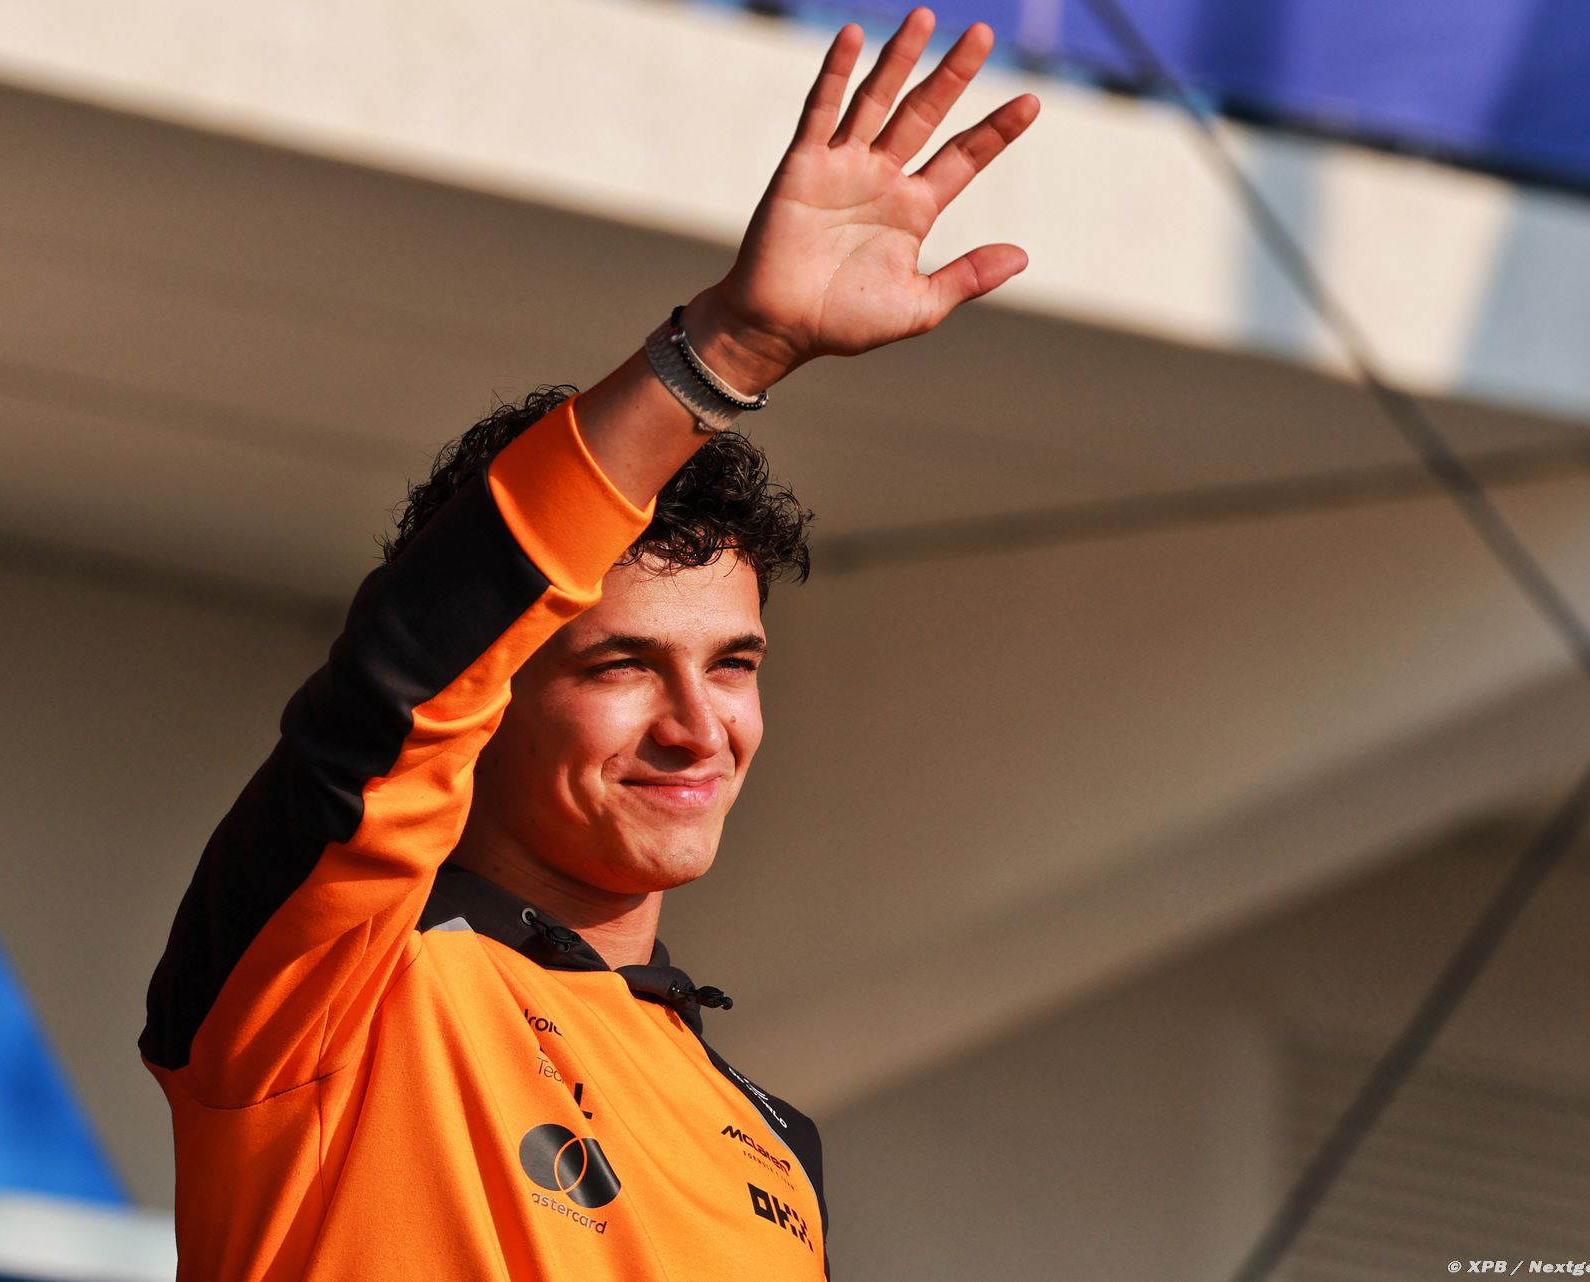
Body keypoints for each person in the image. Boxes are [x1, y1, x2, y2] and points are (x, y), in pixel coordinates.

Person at [138, 8, 1038, 1278]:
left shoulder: (776, 1146)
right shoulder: (333, 975)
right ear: (488, 691)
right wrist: (729, 350)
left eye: (732, 665)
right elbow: (394, 686)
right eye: (621, 665)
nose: (699, 729)